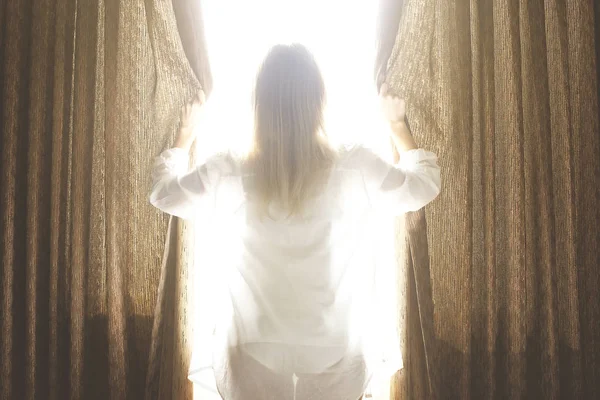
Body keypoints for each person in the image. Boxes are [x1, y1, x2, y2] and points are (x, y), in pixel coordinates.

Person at [149, 43, 441, 400]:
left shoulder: (230, 169)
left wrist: (184, 136)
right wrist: (397, 126)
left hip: (251, 354)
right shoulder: (353, 166)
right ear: (319, 102)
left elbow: (163, 194)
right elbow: (422, 187)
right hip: (336, 351)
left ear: (259, 104)